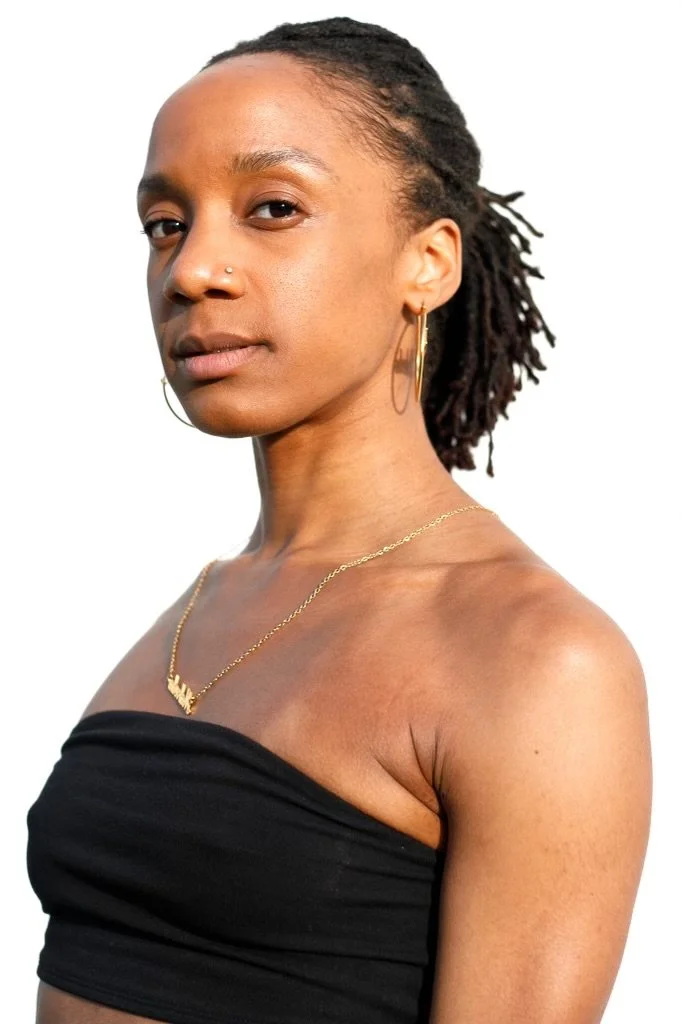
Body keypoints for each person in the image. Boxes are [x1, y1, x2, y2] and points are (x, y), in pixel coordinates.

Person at [26, 15, 652, 1024]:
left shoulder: (536, 657)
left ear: (428, 262)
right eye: (165, 223)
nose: (192, 270)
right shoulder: (204, 604)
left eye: (272, 208)